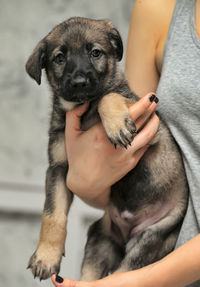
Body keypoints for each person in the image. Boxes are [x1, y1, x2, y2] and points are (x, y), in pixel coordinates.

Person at [51, 0, 200, 286]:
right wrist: (85, 181)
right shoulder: (159, 10)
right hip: (149, 247)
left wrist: (128, 281)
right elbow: (131, 164)